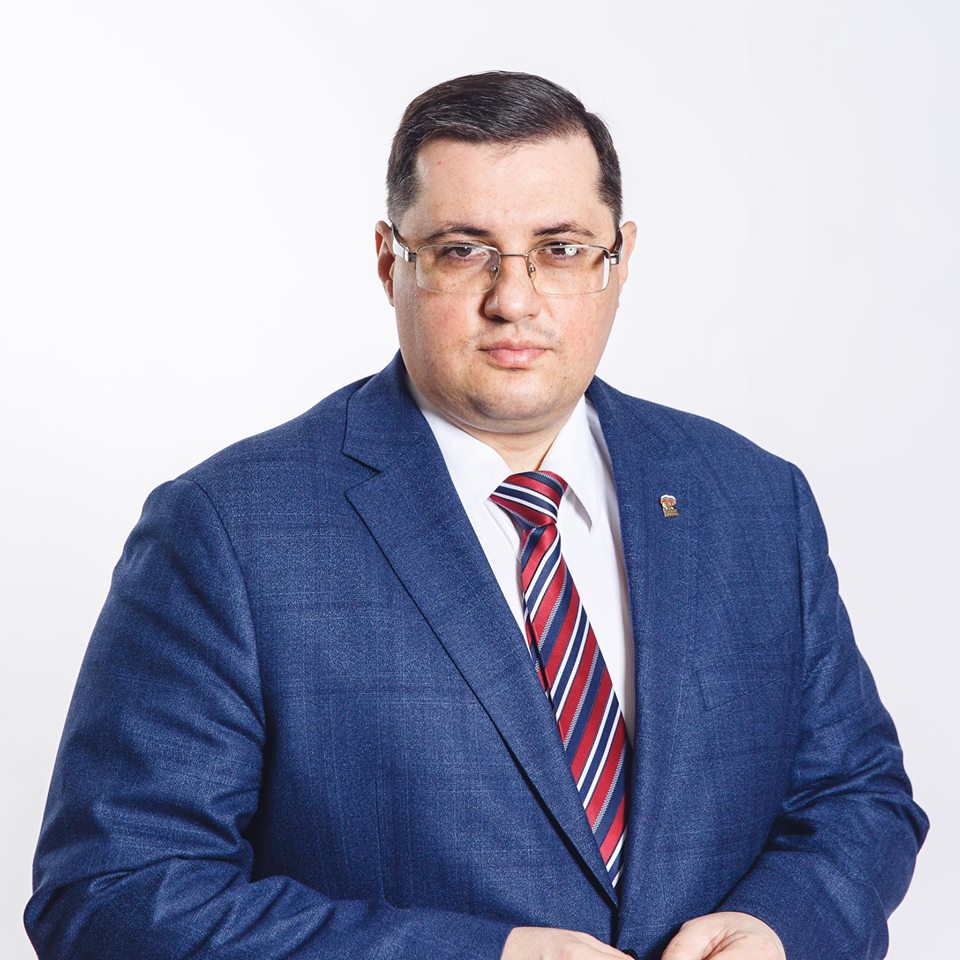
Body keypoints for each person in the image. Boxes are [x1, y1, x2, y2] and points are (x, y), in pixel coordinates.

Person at [25, 71, 927, 960]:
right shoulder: (229, 531)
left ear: (618, 261)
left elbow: (857, 795)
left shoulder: (754, 500)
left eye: (561, 248)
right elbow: (113, 894)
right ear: (392, 263)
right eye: (464, 250)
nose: (515, 300)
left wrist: (778, 929)